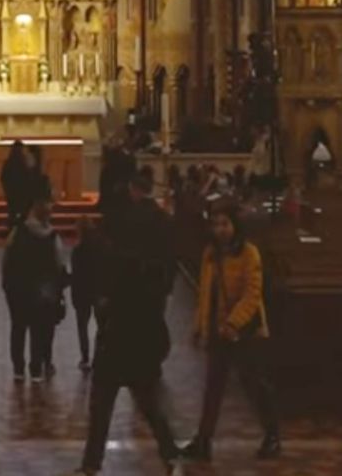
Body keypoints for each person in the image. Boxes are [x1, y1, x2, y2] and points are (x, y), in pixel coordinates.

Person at [73, 173, 182, 475]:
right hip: (139, 333)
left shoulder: (118, 252)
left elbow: (106, 284)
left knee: (105, 404)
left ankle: (91, 464)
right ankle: (170, 455)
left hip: (119, 334)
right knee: (146, 402)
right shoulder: (154, 235)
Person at [180, 203, 281, 461]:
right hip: (218, 331)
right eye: (215, 224)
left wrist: (234, 323)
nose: (220, 230)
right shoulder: (210, 254)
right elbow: (205, 294)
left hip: (243, 331)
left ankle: (272, 435)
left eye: (224, 224)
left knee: (254, 385)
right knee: (213, 388)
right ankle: (203, 441)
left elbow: (252, 294)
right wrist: (200, 327)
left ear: (235, 225)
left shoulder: (249, 253)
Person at [3, 197, 65, 382]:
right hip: (42, 290)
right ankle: (36, 368)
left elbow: (7, 257)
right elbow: (59, 263)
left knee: (18, 327)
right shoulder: (53, 237)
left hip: (18, 287)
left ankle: (18, 369)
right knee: (39, 329)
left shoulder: (18, 231)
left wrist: (6, 282)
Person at [68, 216, 105, 372]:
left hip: (83, 293)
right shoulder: (103, 247)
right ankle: (100, 356)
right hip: (98, 290)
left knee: (82, 326)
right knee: (102, 326)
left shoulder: (78, 251)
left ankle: (85, 358)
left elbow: (76, 275)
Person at [0, 140, 32, 230]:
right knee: (23, 212)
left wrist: (6, 189)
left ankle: (11, 230)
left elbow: (3, 177)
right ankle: (23, 230)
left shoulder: (9, 162)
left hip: (12, 191)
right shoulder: (25, 162)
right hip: (22, 191)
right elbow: (29, 176)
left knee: (12, 212)